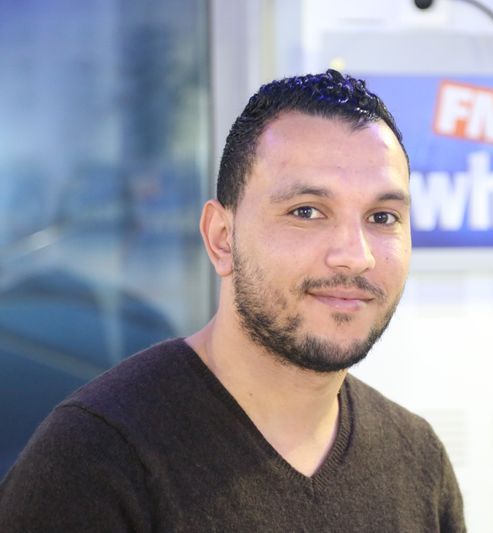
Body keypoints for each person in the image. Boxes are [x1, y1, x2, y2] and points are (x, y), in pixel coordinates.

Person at [0, 70, 465, 532]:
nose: (355, 256)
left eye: (382, 217)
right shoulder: (95, 459)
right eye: (306, 211)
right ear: (222, 238)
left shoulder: (418, 462)